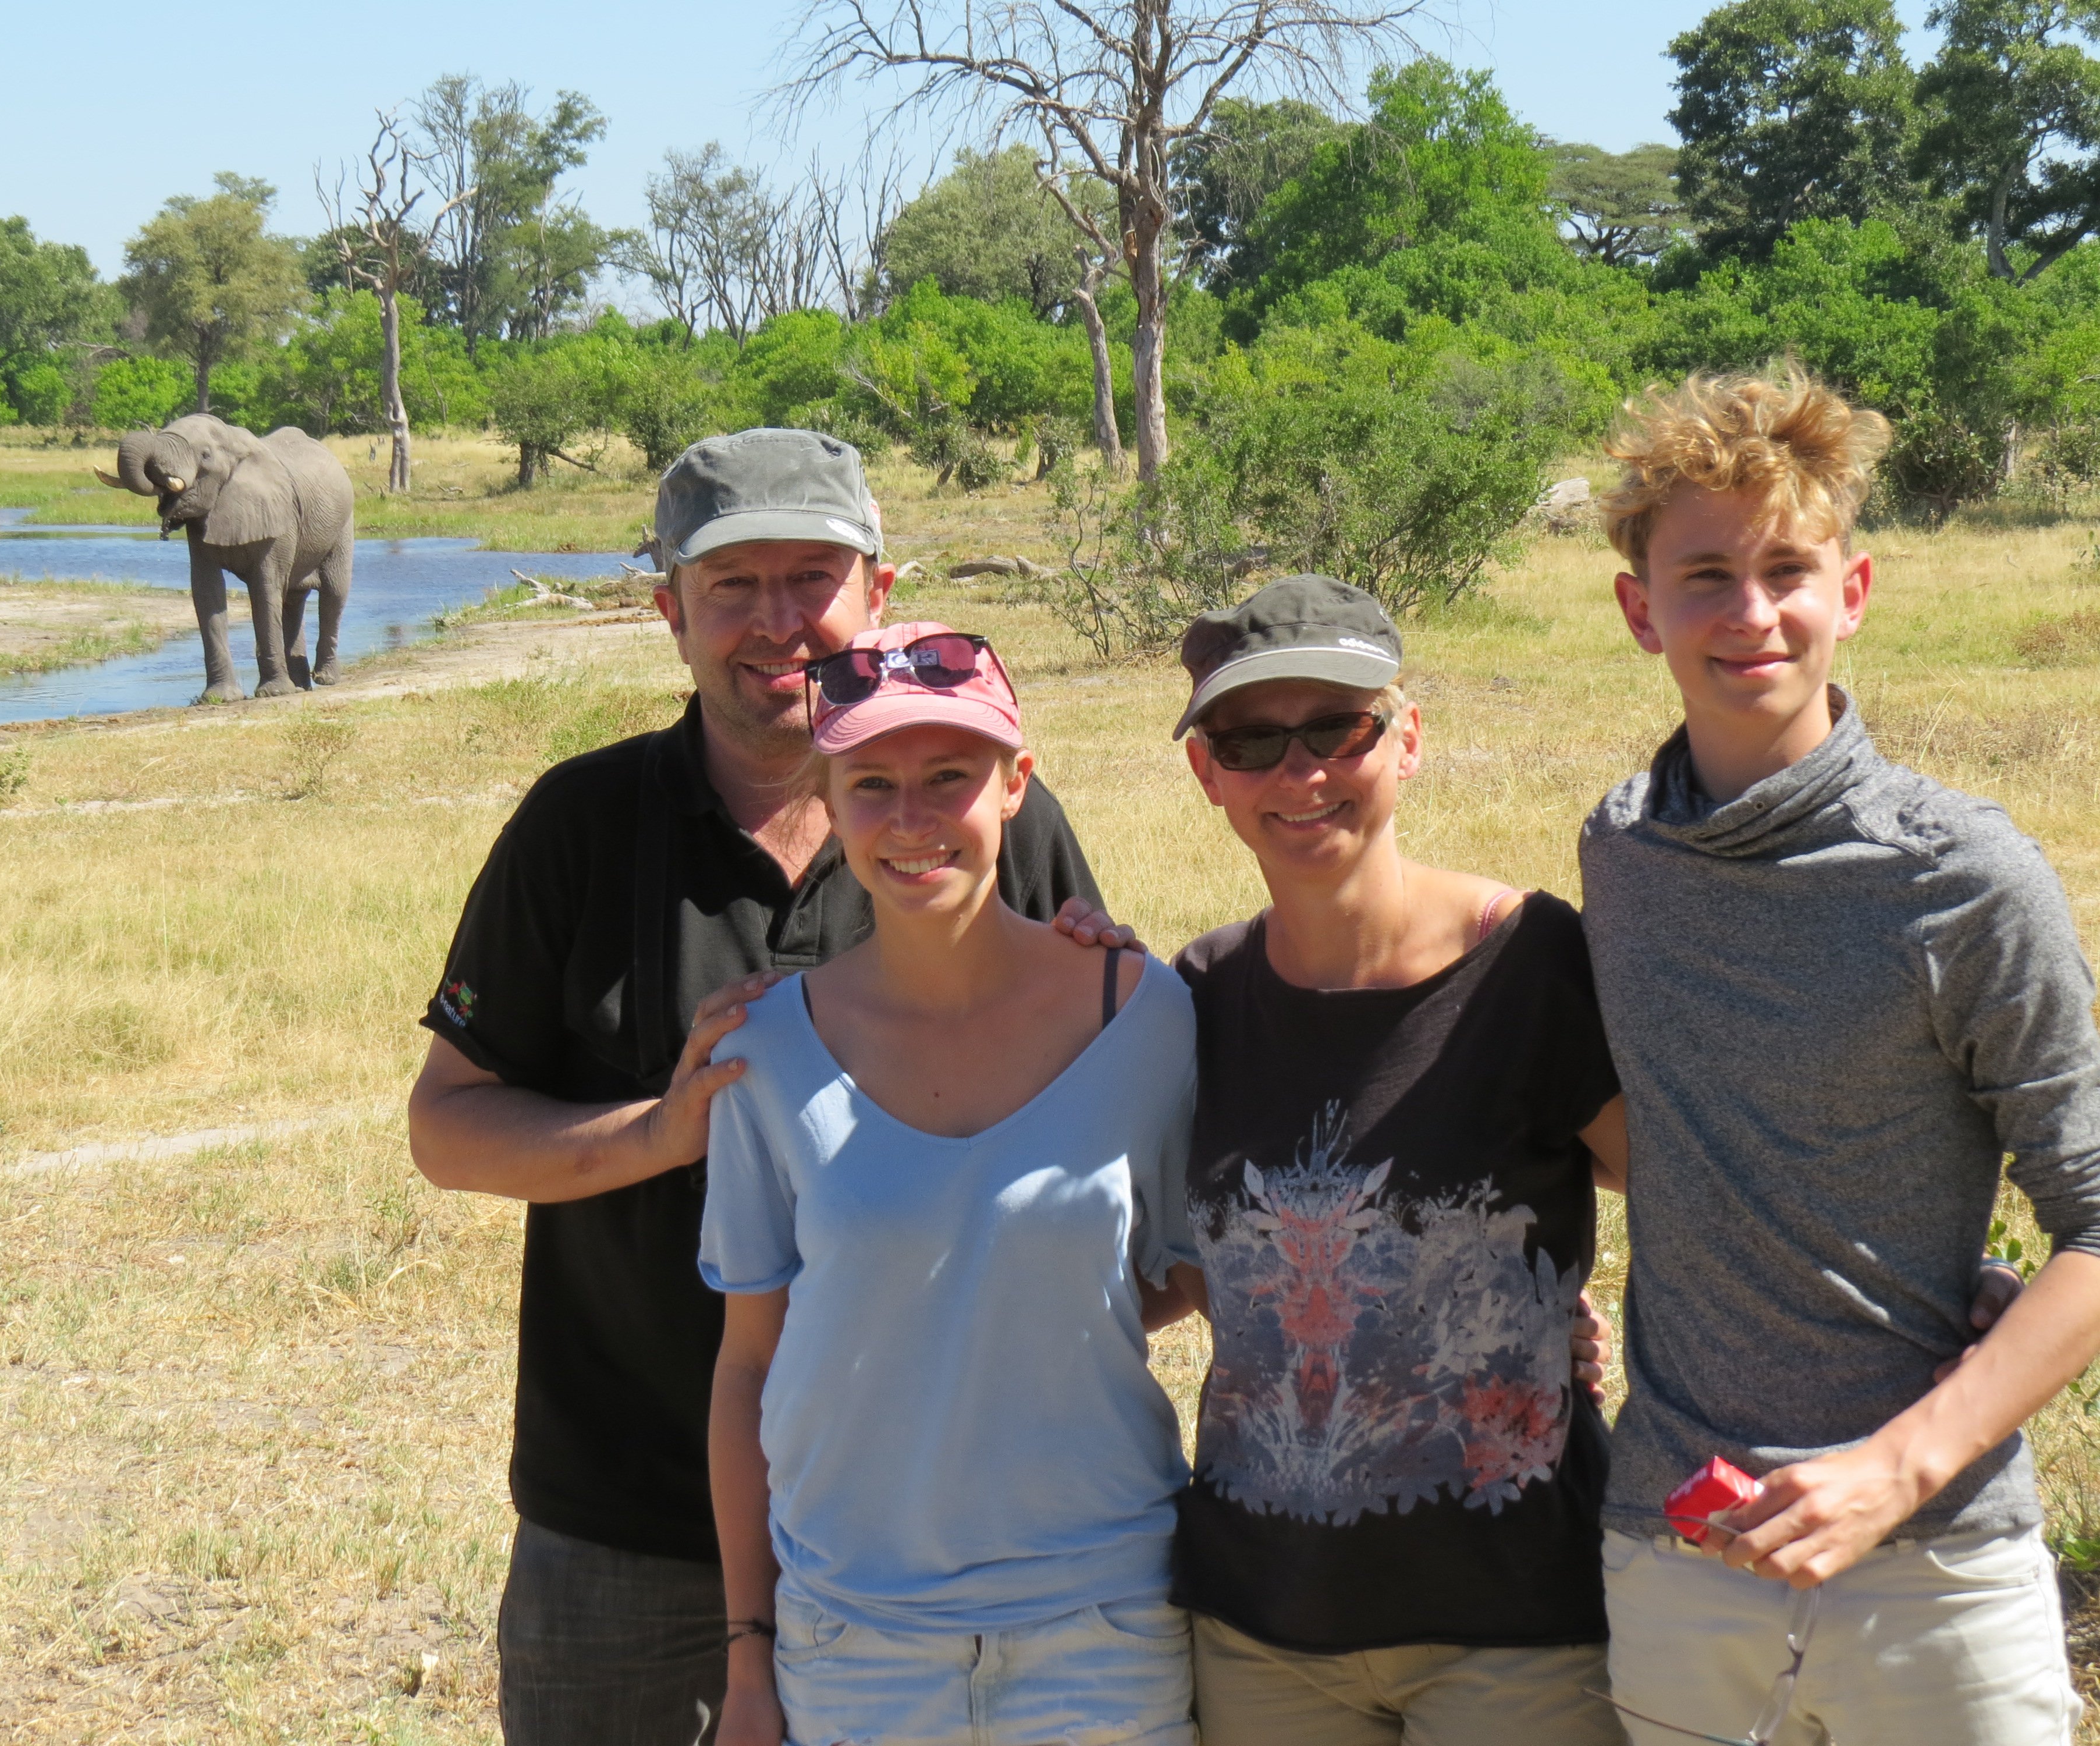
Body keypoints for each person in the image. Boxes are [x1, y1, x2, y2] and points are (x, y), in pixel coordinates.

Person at [406, 430, 1128, 1746]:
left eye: (813, 577)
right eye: (731, 585)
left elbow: (1100, 1122)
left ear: (880, 594)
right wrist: (662, 1130)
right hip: (631, 1520)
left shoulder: (989, 818)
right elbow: (447, 1130)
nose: (776, 621)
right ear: (666, 609)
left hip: (931, 1530)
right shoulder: (581, 825)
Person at [1581, 368, 2100, 1744]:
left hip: (1931, 1567)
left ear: (1852, 591)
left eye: (1785, 569)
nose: (1749, 614)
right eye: (1703, 576)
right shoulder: (1619, 853)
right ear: (1639, 610)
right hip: (1677, 1546)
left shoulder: (1959, 877)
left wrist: (1896, 1468)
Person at [701, 620, 1203, 1746]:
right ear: (826, 802)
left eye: (950, 778)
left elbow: (1185, 1278)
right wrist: (749, 1654)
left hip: (1107, 1627)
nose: (912, 820)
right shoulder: (766, 1047)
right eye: (871, 783)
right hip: (851, 1640)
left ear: (1017, 783)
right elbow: (748, 1367)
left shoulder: (1143, 1014)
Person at [1164, 575, 1632, 1745]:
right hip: (1260, 1626)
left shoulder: (1528, 964)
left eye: (1338, 728)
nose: (1299, 771)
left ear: (1406, 738)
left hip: (1515, 1624)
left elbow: (1692, 1195)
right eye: (1251, 741)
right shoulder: (1192, 998)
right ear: (1204, 772)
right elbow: (1170, 1270)